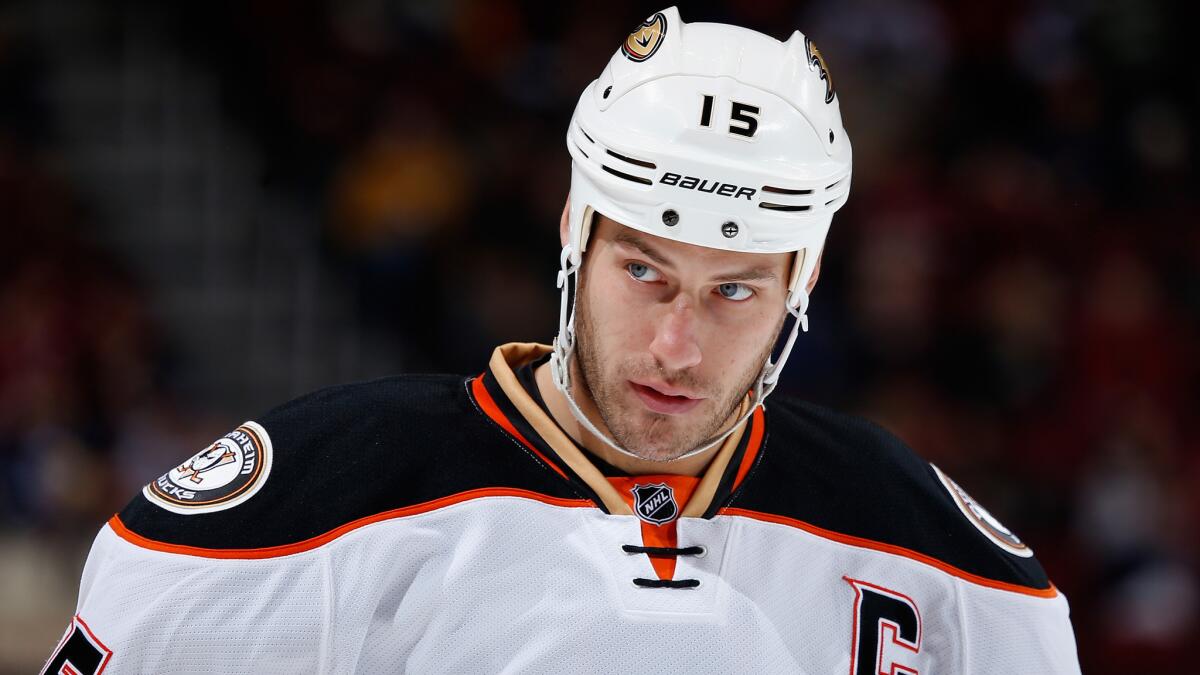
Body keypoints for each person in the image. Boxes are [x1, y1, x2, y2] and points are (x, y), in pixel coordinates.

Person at [44, 7, 1080, 674]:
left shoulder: (943, 561)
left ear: (800, 287)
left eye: (733, 292)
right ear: (572, 236)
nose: (677, 345)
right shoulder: (311, 503)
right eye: (643, 272)